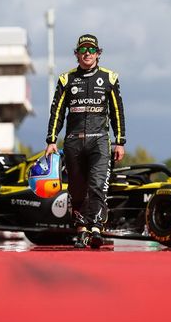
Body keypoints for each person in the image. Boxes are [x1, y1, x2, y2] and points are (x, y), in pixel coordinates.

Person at [45, 34, 126, 248]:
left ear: (98, 53)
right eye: (83, 50)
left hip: (99, 141)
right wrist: (52, 140)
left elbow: (118, 111)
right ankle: (81, 230)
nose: (87, 54)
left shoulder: (110, 77)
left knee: (97, 185)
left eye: (91, 50)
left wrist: (120, 141)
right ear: (76, 54)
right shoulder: (66, 79)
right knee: (77, 189)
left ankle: (97, 229)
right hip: (73, 142)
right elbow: (57, 112)